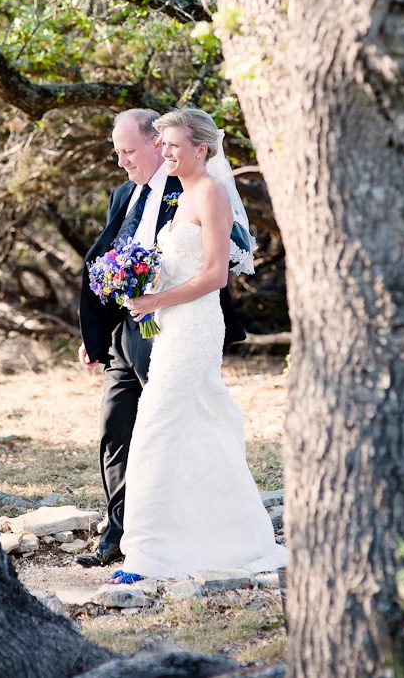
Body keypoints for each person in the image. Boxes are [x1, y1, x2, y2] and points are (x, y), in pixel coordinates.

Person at [109, 108, 286, 582]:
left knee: (157, 427)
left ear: (201, 149)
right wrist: (136, 280)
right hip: (171, 326)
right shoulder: (184, 194)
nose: (163, 152)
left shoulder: (211, 193)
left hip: (194, 326)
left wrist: (155, 299)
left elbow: (213, 275)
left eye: (172, 145)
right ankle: (215, 537)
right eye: (162, 144)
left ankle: (148, 555)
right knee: (195, 429)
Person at [76, 108, 246, 567]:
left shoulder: (191, 185)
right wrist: (96, 333)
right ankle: (119, 534)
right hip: (125, 329)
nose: (122, 161)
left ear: (157, 143)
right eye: (117, 152)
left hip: (174, 325)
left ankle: (178, 528)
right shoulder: (122, 196)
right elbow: (108, 260)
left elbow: (231, 252)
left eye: (128, 151)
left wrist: (160, 292)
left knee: (169, 429)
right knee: (116, 430)